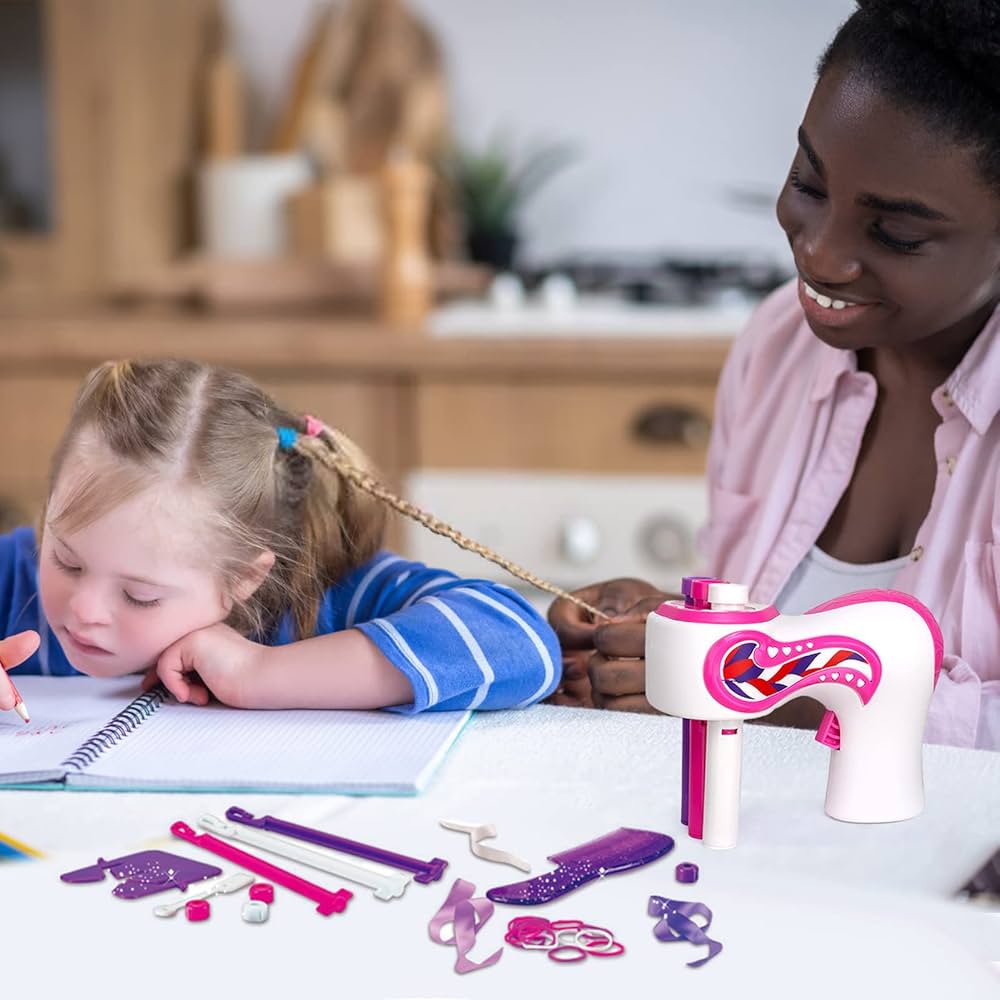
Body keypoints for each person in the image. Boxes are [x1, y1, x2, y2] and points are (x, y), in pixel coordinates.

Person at [548, 0, 1000, 750]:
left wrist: (792, 701)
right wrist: (673, 627)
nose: (821, 254)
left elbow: (769, 687)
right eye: (810, 185)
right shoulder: (778, 345)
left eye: (896, 233)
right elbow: (757, 628)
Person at [0, 359, 562, 714]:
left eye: (140, 594)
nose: (84, 608)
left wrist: (261, 674)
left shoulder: (329, 599)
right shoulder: (16, 576)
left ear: (246, 576)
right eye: (67, 560)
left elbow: (520, 641)